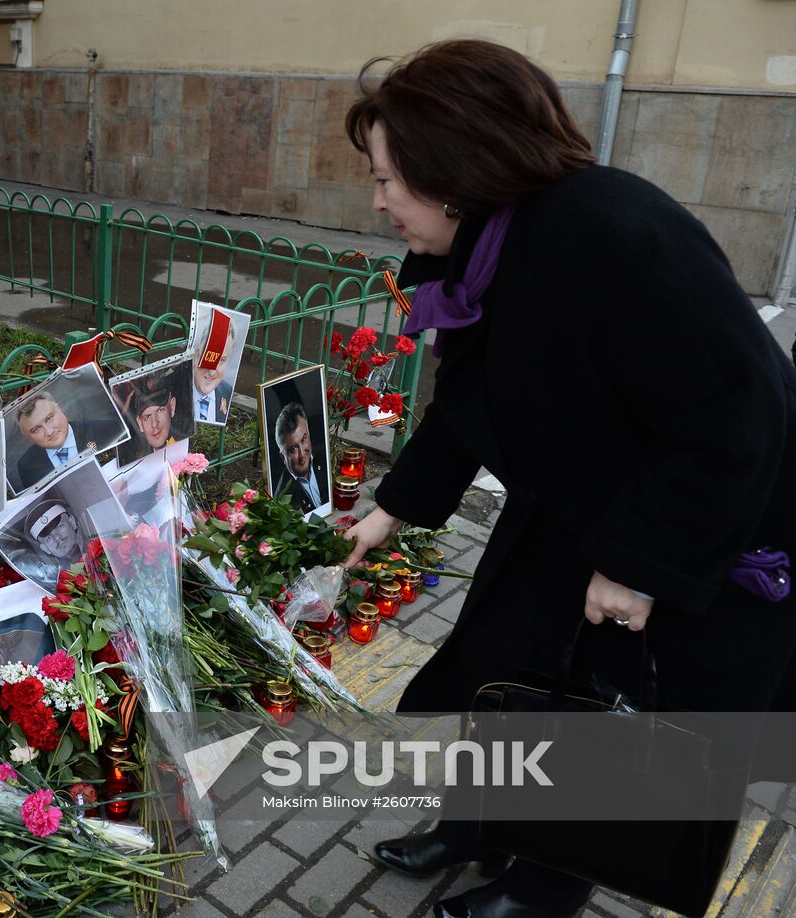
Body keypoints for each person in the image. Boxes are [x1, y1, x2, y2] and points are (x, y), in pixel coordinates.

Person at [338, 40, 796, 918]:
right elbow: (469, 399)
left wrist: (638, 566)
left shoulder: (614, 234)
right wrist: (391, 510)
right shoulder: (478, 250)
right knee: (502, 657)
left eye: (390, 178)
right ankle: (477, 825)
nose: (379, 201)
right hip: (581, 498)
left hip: (695, 519)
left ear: (453, 174)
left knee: (596, 708)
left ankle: (546, 884)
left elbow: (738, 415)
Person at [10, 391, 124, 491]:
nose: (49, 432)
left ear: (59, 409)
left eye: (49, 418)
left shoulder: (106, 430)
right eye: (36, 429)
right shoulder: (27, 465)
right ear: (27, 436)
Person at [3, 498, 85, 592]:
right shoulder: (60, 586)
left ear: (72, 522)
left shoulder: (101, 544)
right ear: (45, 548)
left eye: (60, 526)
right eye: (48, 538)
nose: (57, 538)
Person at [271, 401, 328, 512]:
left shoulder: (325, 460)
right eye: (293, 449)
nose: (302, 454)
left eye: (303, 439)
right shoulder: (283, 498)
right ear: (283, 457)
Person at [193, 315, 237, 424]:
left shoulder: (226, 390)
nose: (212, 372)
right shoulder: (175, 392)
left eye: (222, 360)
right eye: (209, 357)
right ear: (197, 354)